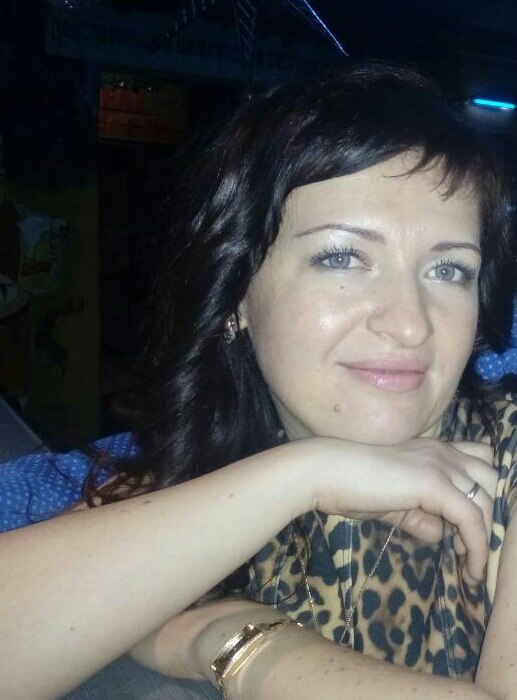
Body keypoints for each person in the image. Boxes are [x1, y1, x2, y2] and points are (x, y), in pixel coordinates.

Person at [1, 61, 517, 700]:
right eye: (343, 258)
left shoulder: (505, 459)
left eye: (449, 271)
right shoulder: (211, 465)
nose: (411, 324)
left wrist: (228, 637)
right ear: (235, 298)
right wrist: (304, 475)